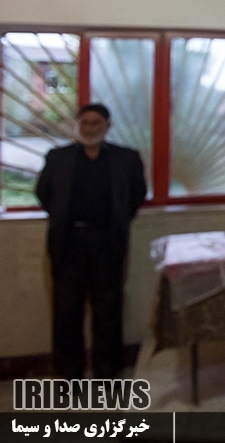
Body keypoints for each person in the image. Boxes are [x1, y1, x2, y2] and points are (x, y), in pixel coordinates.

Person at [36, 103, 147, 380]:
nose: (90, 128)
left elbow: (136, 195)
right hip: (69, 242)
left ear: (108, 126)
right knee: (66, 311)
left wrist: (116, 222)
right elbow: (44, 193)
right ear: (77, 126)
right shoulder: (58, 158)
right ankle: (68, 375)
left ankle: (107, 373)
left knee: (108, 309)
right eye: (84, 123)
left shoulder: (126, 158)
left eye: (96, 123)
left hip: (108, 241)